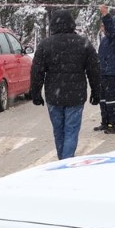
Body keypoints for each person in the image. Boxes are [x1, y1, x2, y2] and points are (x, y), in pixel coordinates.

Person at [30, 8, 100, 160]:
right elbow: (94, 70)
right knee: (71, 131)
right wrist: (96, 91)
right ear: (72, 24)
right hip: (76, 95)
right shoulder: (83, 43)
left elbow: (37, 71)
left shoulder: (45, 45)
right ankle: (67, 161)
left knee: (58, 130)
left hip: (54, 95)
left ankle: (62, 160)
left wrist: (35, 92)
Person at [93, 4, 115, 134]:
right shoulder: (105, 40)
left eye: (104, 25)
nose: (102, 27)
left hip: (111, 73)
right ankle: (105, 122)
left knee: (111, 100)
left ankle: (114, 125)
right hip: (103, 72)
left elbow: (111, 29)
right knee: (103, 99)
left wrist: (105, 15)